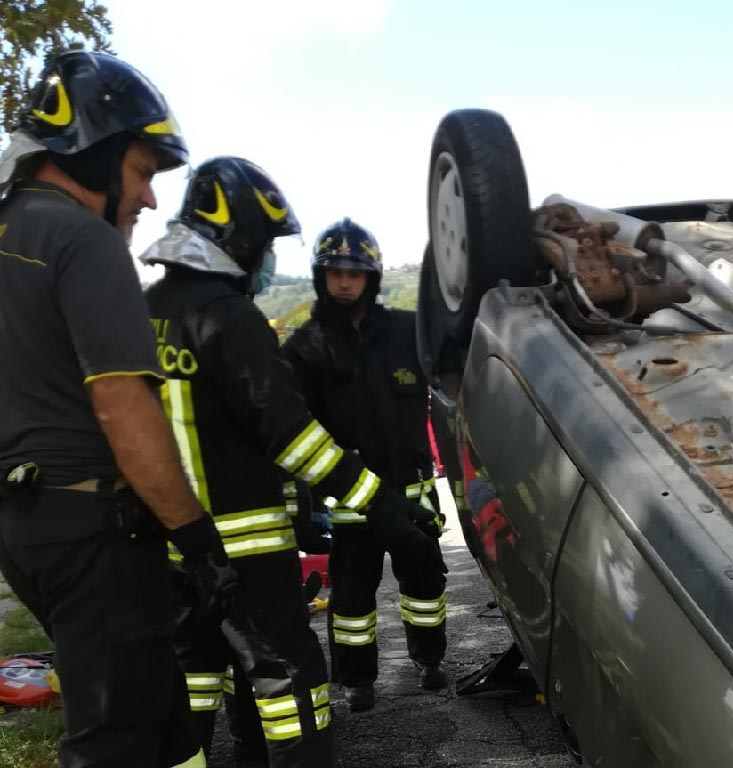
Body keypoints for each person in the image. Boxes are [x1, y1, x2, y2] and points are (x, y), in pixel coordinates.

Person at [140, 158, 444, 765]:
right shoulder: (229, 317)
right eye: (267, 244)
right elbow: (291, 439)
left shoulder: (143, 311)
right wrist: (379, 504)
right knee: (291, 682)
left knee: (190, 684)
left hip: (172, 547)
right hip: (246, 551)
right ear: (242, 239)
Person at [0, 51, 235, 768]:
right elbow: (122, 402)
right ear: (96, 155)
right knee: (117, 741)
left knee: (165, 722)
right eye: (142, 173)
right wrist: (195, 538)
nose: (151, 199)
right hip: (91, 528)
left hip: (25, 529)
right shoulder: (82, 240)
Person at [283, 218, 448, 713]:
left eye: (355, 271)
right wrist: (307, 510)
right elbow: (295, 431)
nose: (345, 280)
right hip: (350, 503)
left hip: (414, 494)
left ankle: (430, 661)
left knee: (425, 588)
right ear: (320, 276)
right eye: (334, 270)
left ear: (371, 277)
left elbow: (450, 392)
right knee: (352, 601)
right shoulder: (304, 348)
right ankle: (357, 682)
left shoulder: (407, 332)